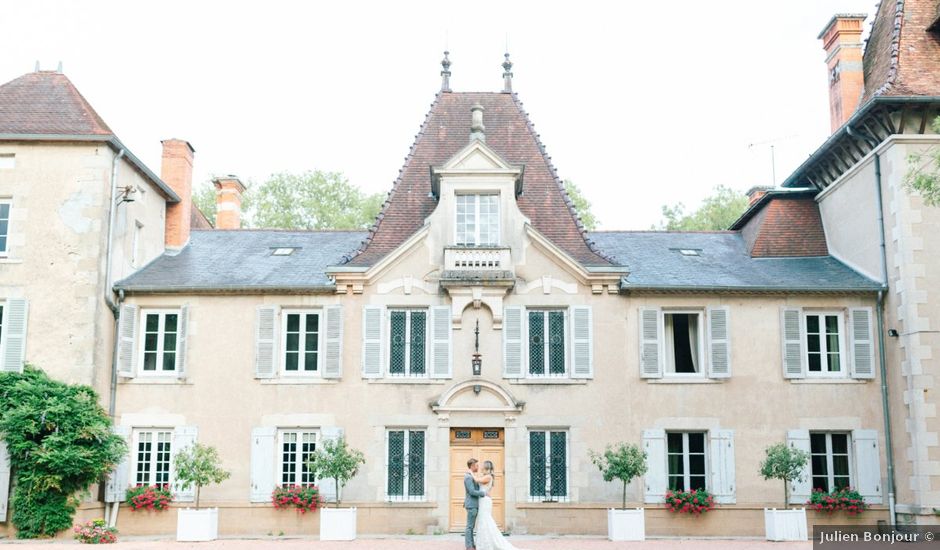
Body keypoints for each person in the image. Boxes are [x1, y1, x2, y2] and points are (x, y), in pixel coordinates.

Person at [471, 460, 529, 550]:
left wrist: (470, 472)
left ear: (486, 468)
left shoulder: (488, 477)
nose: (481, 468)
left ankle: (489, 542)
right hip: (483, 500)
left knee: (485, 520)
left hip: (485, 501)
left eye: (482, 466)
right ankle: (483, 541)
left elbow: (477, 480)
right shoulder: (486, 476)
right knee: (483, 520)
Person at [464, 458, 487, 550]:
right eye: (476, 465)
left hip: (474, 505)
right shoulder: (468, 477)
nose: (478, 467)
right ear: (472, 466)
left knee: (471, 526)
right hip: (472, 505)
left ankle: (472, 545)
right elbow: (472, 491)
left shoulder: (471, 476)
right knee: (469, 526)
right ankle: (469, 546)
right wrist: (483, 493)